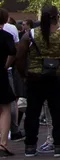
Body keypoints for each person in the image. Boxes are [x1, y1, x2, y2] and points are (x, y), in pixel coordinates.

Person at [16, 5, 60, 157]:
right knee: (58, 113)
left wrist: (24, 74)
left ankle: (30, 146)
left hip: (35, 78)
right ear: (57, 17)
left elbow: (20, 57)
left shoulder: (30, 35)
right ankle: (59, 146)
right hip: (58, 78)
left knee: (32, 113)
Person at [0, 10, 16, 156]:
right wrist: (6, 65)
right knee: (5, 108)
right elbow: (13, 52)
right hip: (1, 74)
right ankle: (3, 142)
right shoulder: (6, 36)